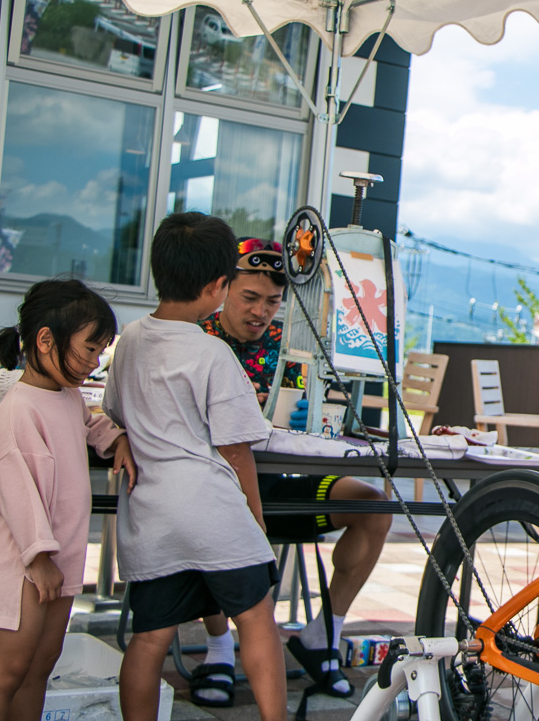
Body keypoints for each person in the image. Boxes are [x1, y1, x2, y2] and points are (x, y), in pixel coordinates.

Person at [191, 237, 391, 703]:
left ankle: (323, 634)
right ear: (223, 289)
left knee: (375, 507)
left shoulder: (292, 344)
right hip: (218, 486)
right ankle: (219, 647)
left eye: (273, 301)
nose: (262, 311)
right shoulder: (198, 341)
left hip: (283, 483)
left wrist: (314, 413)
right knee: (208, 513)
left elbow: (317, 409)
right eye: (250, 297)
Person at [103, 212, 286, 721]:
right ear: (216, 288)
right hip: (212, 509)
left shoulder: (130, 341)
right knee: (256, 622)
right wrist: (255, 515)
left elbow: (113, 412)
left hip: (150, 514)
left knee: (149, 640)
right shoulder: (213, 355)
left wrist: (118, 436)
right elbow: (236, 448)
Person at [0, 279, 136, 721]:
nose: (95, 360)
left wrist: (116, 438)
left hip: (59, 561)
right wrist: (38, 558)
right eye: (89, 348)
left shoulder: (65, 396)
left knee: (39, 671)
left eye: (101, 349)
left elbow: (89, 424)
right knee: (8, 673)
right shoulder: (17, 409)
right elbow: (13, 491)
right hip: (23, 565)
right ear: (45, 340)